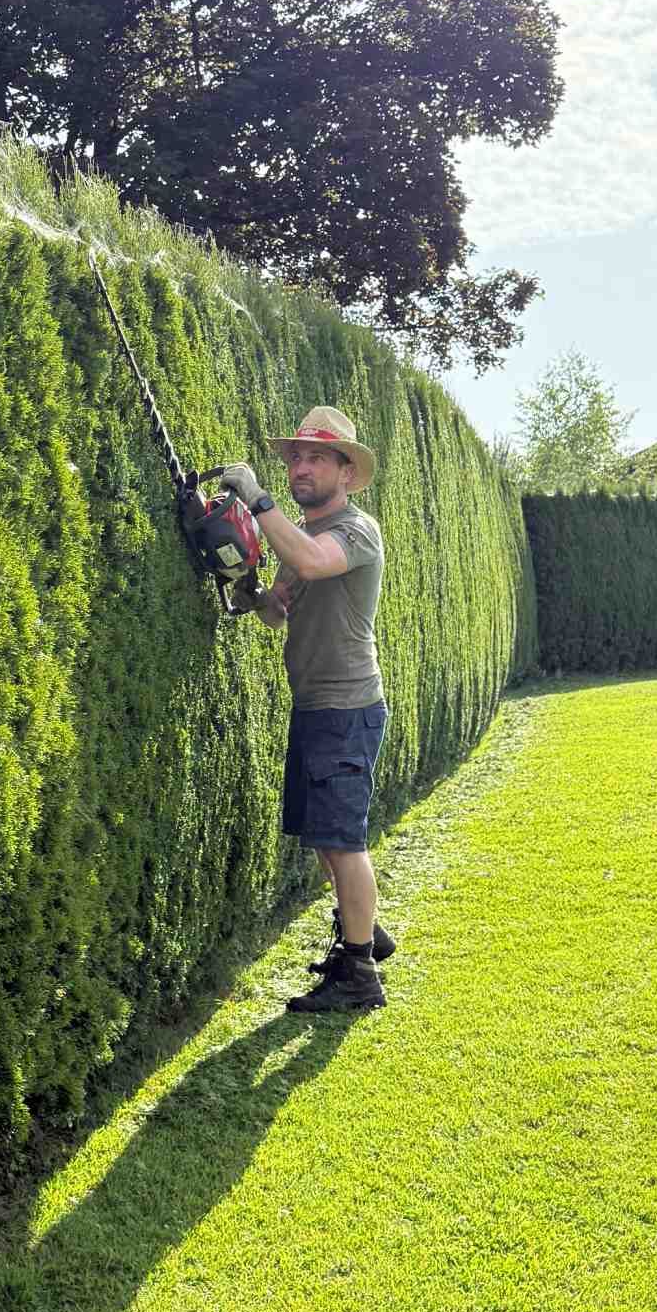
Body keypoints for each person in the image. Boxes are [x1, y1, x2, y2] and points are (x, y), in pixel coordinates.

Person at [217, 408, 394, 1013]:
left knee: (344, 842)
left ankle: (360, 975)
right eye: (294, 457)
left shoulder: (356, 529)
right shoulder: (298, 535)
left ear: (347, 471)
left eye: (316, 457)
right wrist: (243, 585)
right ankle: (363, 929)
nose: (301, 466)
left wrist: (257, 502)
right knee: (324, 838)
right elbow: (276, 610)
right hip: (315, 706)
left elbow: (318, 563)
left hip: (348, 707)